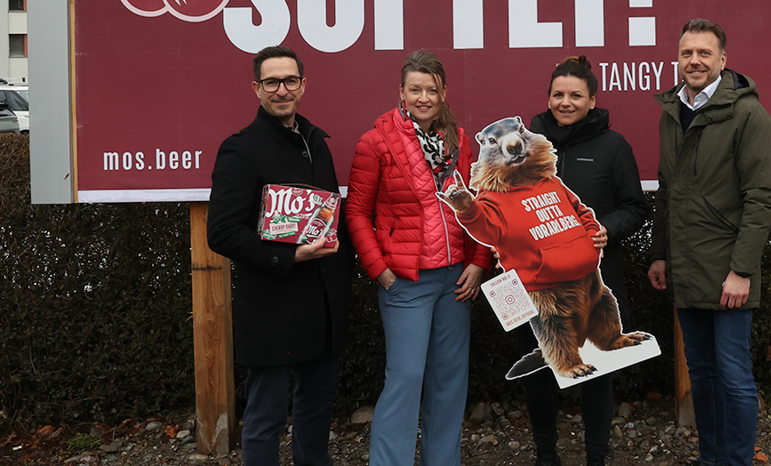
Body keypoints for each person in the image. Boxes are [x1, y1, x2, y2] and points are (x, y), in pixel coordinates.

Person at [344, 50, 492, 466]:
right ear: (401, 92)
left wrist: (479, 262)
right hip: (406, 281)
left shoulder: (460, 142)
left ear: (443, 94)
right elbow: (356, 212)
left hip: (455, 281)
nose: (423, 98)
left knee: (449, 381)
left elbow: (481, 203)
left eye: (431, 89)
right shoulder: (376, 142)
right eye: (415, 89)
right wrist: (380, 270)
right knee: (406, 378)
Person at [208, 46, 353, 466]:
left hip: (321, 304)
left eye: (290, 80)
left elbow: (330, 217)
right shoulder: (240, 149)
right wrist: (287, 257)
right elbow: (222, 232)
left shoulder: (316, 143)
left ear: (303, 85)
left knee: (316, 408)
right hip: (270, 306)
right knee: (265, 417)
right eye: (272, 82)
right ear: (256, 88)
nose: (282, 90)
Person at [647, 19, 771, 466]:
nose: (695, 61)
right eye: (687, 53)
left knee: (734, 376)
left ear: (723, 60)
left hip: (728, 273)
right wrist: (660, 254)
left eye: (704, 53)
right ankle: (712, 459)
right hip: (686, 268)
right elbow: (668, 191)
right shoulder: (672, 113)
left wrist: (741, 270)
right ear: (678, 59)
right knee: (702, 375)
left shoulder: (748, 115)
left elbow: (761, 198)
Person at [522, 55, 650, 466]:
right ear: (548, 98)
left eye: (575, 95)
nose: (566, 102)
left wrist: (607, 228)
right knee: (541, 371)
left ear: (592, 100)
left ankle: (597, 456)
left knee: (598, 373)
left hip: (596, 283)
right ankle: (546, 454)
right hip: (537, 285)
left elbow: (636, 207)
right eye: (558, 94)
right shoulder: (525, 148)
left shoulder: (614, 147)